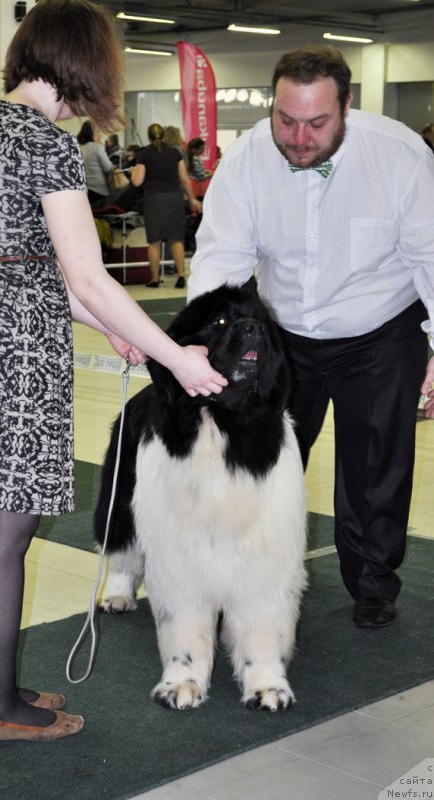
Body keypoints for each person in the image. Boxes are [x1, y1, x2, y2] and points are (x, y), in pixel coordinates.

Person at [0, 0, 227, 744]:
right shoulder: (46, 143)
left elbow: (22, 260)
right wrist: (173, 355)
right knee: (4, 540)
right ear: (84, 63)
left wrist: (111, 328)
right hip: (16, 358)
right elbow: (84, 275)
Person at [188, 44, 434, 630]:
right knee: (256, 460)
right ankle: (245, 580)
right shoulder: (247, 159)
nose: (299, 138)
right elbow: (222, 259)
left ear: (346, 107)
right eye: (286, 120)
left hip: (380, 330)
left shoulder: (400, 156)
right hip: (285, 333)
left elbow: (432, 256)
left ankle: (372, 583)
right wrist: (201, 345)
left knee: (375, 467)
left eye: (317, 123)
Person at [131, 123, 201, 288]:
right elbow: (184, 179)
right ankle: (181, 276)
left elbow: (137, 181)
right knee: (176, 239)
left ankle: (155, 279)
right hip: (174, 198)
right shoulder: (175, 153)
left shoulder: (144, 154)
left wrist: (133, 172)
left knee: (154, 241)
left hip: (154, 200)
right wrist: (192, 199)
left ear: (149, 136)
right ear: (163, 135)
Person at [77, 119, 115, 205]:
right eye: (97, 131)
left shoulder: (79, 147)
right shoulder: (97, 147)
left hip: (84, 191)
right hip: (99, 191)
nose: (99, 134)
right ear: (91, 133)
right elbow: (107, 168)